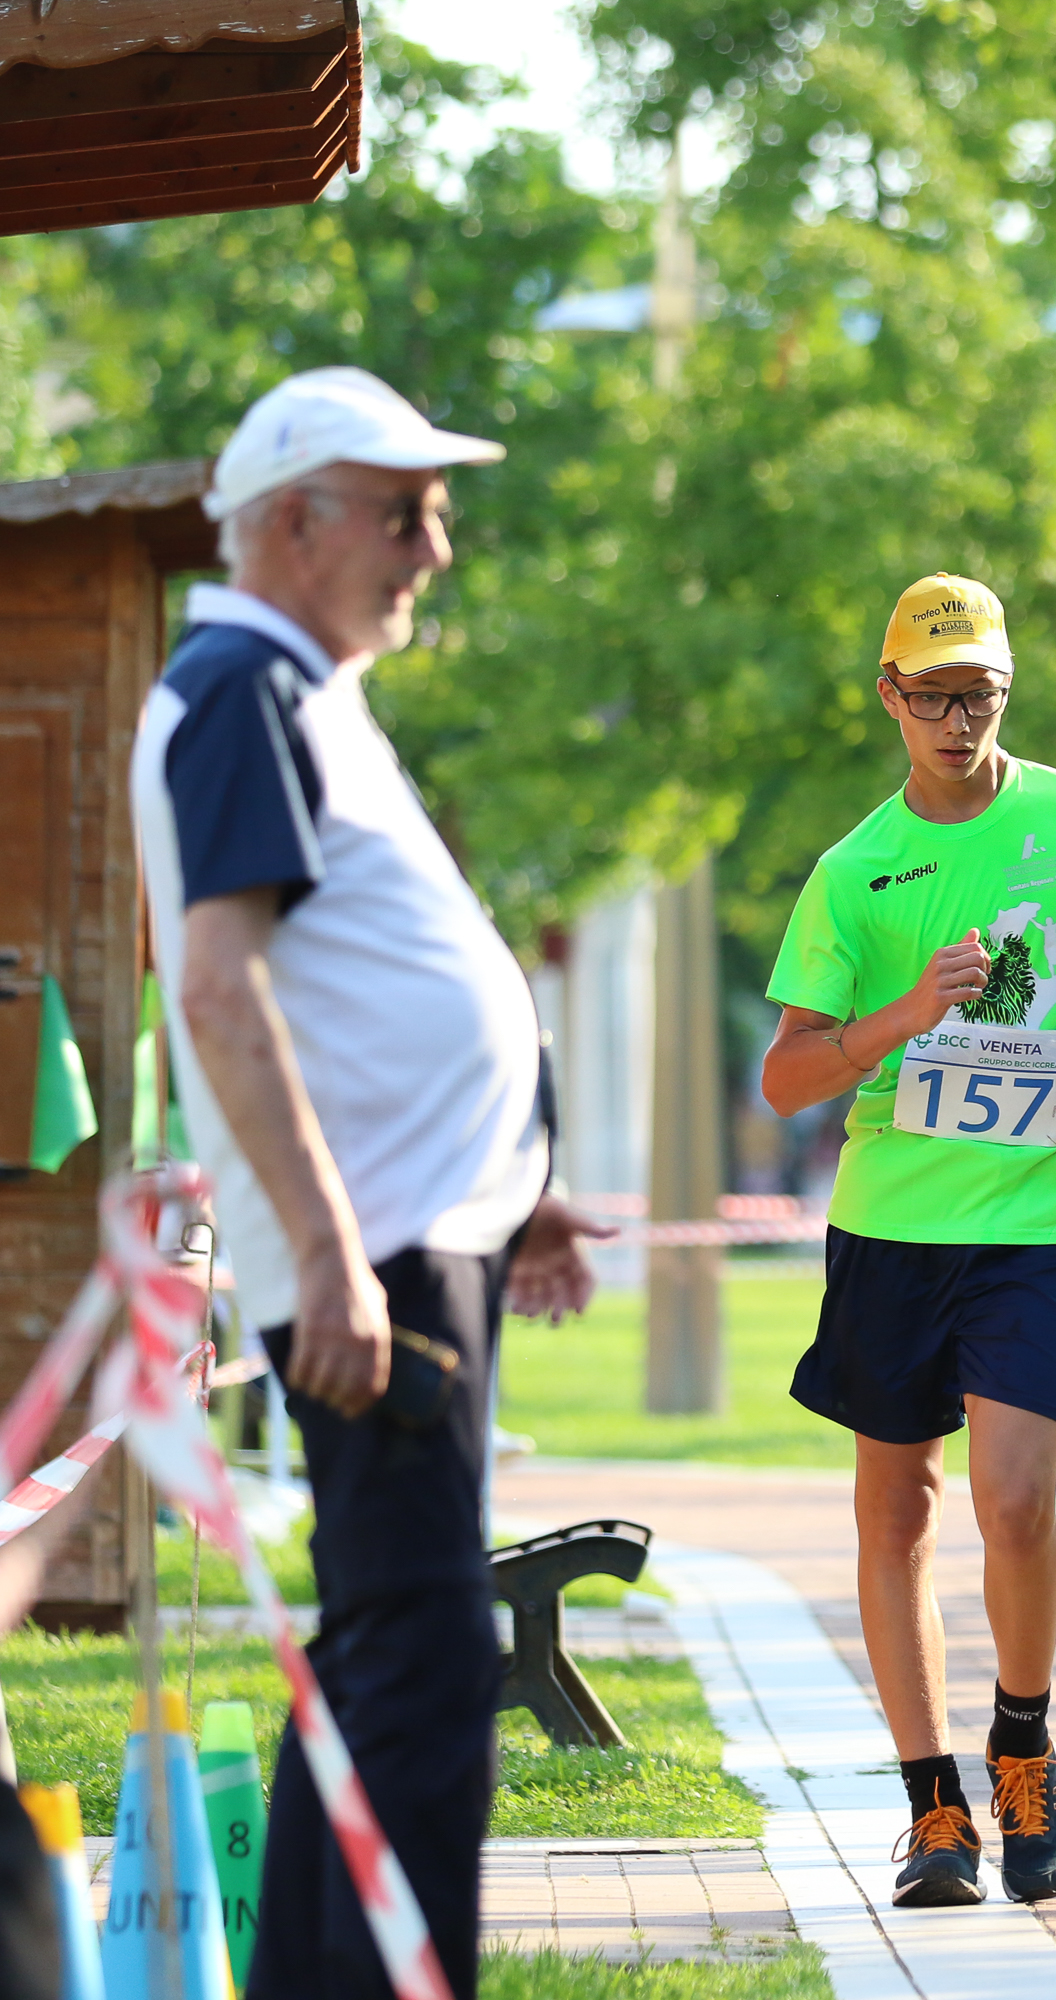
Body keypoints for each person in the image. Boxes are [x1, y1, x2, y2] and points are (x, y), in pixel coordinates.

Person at [129, 367, 612, 2000]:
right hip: (374, 1267)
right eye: (404, 516)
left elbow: (357, 992)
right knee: (423, 1668)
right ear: (292, 523)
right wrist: (334, 1255)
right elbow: (219, 989)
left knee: (375, 1666)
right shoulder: (237, 688)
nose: (436, 549)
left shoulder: (302, 692)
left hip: (411, 1239)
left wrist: (506, 1186)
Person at [759, 573, 1056, 1907]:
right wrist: (901, 1015)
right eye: (935, 697)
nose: (958, 721)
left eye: (981, 696)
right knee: (898, 1512)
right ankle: (930, 1806)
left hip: (1041, 1214)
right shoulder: (854, 870)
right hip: (893, 1224)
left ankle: (1023, 1747)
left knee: (1016, 1497)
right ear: (890, 696)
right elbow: (785, 1077)